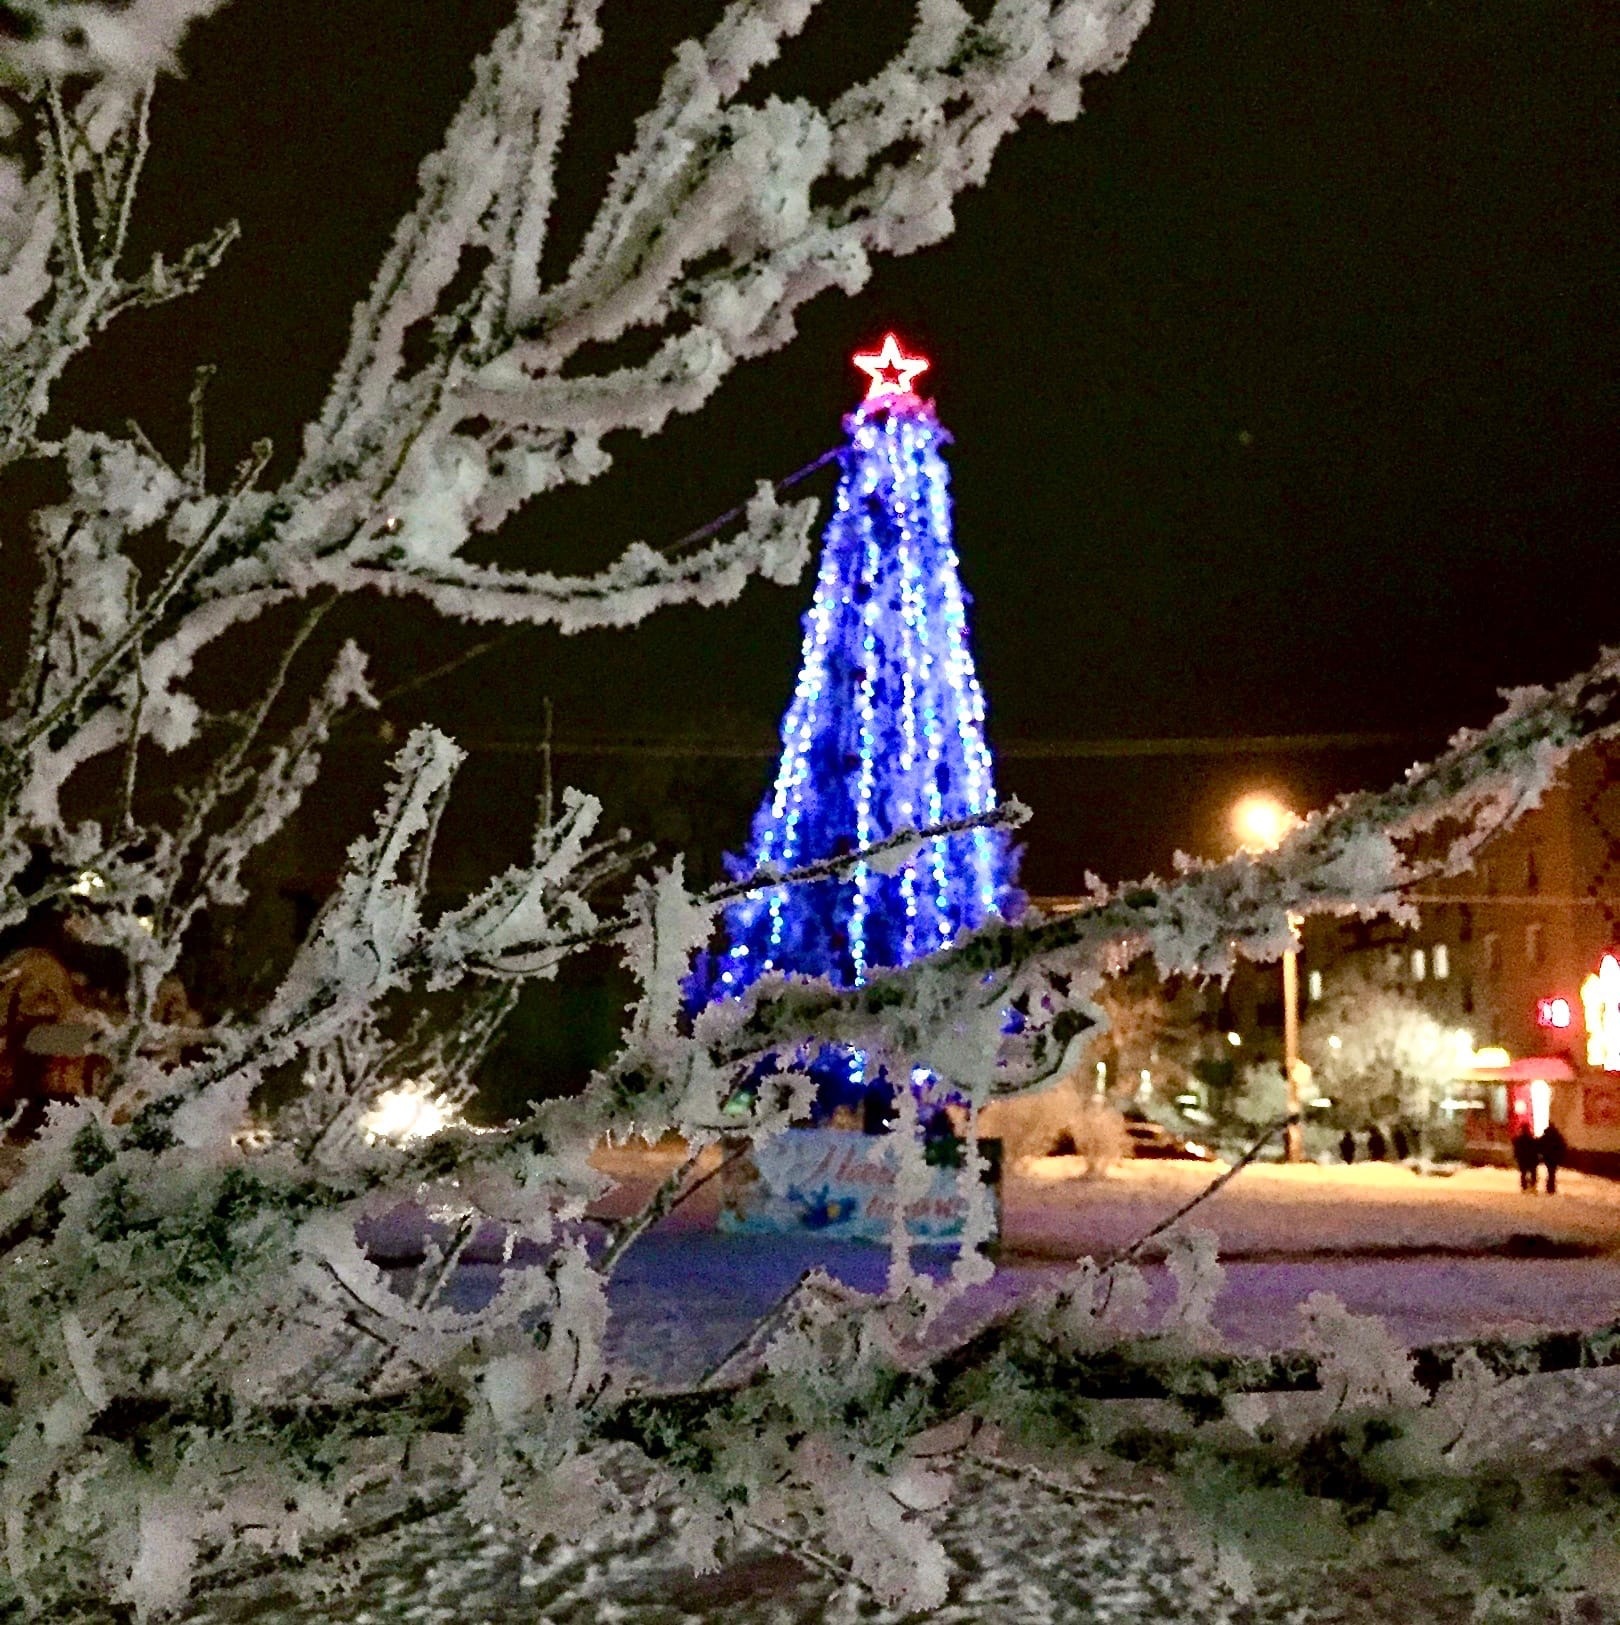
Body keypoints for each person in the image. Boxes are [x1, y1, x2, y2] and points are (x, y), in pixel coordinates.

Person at [1537, 1122, 1566, 1196]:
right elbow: (1562, 1146)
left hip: (1547, 1157)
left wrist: (1541, 1153)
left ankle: (1549, 1187)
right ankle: (1551, 1187)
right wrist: (1561, 1156)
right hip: (1555, 1157)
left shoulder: (1545, 1136)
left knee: (1550, 1172)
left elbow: (1540, 1144)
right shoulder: (1557, 1136)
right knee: (1552, 1173)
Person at [1511, 1124, 1539, 1192]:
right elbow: (1536, 1148)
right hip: (1531, 1159)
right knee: (1533, 1173)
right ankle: (1532, 1185)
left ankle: (1524, 1186)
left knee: (1523, 1173)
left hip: (1522, 1159)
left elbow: (1516, 1148)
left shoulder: (1519, 1140)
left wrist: (1516, 1156)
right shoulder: (1531, 1139)